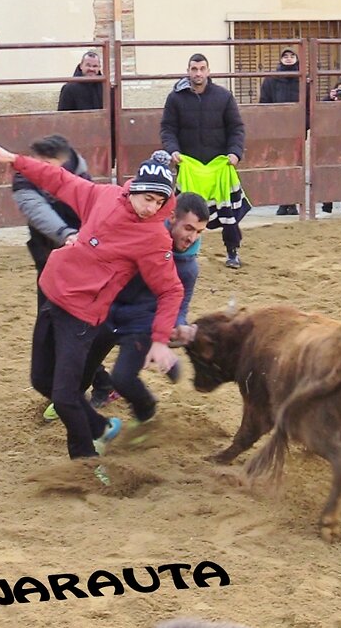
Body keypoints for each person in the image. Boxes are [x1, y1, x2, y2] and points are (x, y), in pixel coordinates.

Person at [0, 144, 183, 477]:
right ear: (135, 188)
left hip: (83, 317)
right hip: (51, 294)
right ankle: (102, 428)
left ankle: (86, 464)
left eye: (160, 202)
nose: (152, 208)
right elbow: (58, 179)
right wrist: (15, 160)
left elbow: (171, 288)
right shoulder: (103, 196)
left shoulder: (154, 239)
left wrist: (160, 340)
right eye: (148, 198)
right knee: (41, 380)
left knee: (64, 396)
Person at [81, 192, 209, 426]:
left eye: (199, 232)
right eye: (189, 228)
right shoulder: (143, 233)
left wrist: (178, 325)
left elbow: (181, 304)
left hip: (144, 324)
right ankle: (71, 401)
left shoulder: (188, 268)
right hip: (111, 311)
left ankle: (146, 413)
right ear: (171, 218)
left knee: (123, 378)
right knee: (80, 364)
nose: (192, 238)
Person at [10, 134, 117, 414]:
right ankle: (93, 385)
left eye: (50, 164)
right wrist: (67, 234)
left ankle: (89, 387)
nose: (44, 169)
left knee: (70, 330)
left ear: (64, 161)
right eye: (40, 163)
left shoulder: (78, 177)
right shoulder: (26, 178)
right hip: (50, 264)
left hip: (77, 265)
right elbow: (36, 210)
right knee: (60, 330)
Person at [160, 54, 248, 269]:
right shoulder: (175, 98)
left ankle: (232, 251)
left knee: (228, 212)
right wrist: (173, 151)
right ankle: (176, 251)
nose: (198, 73)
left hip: (219, 165)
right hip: (189, 165)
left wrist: (235, 153)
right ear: (188, 71)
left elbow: (236, 128)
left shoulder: (223, 96)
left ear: (208, 71)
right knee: (181, 212)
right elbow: (168, 129)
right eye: (194, 69)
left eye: (201, 69)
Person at [260, 47, 302, 216]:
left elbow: (308, 103)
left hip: (296, 129)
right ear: (281, 59)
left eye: (292, 56)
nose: (289, 59)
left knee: (296, 166)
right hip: (278, 130)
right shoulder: (271, 80)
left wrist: (304, 124)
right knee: (279, 166)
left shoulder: (303, 79)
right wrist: (270, 126)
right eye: (286, 56)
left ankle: (293, 201)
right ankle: (282, 201)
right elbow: (265, 103)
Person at [317, 78, 341, 220]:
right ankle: (327, 208)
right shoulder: (328, 101)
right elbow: (319, 115)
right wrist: (330, 99)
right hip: (329, 142)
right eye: (340, 90)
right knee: (328, 174)